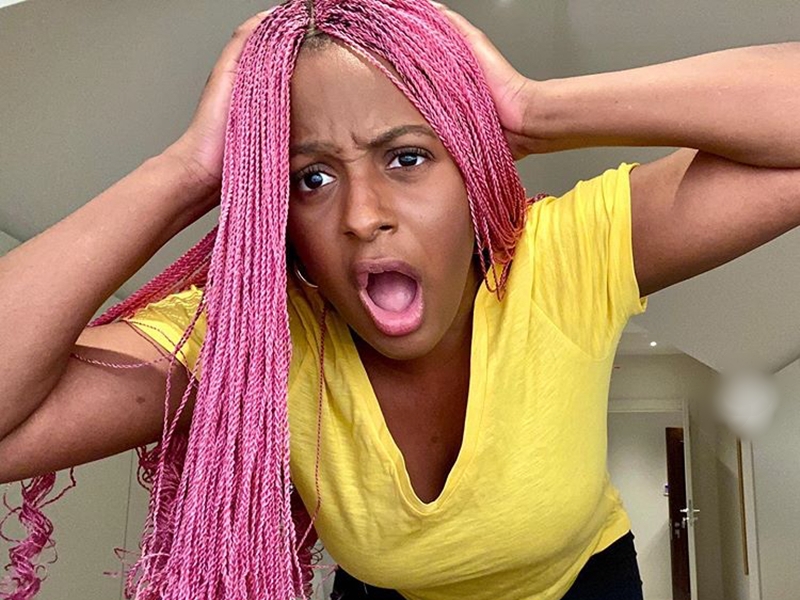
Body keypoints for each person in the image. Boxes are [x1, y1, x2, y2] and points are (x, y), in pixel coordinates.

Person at [1, 1, 799, 599]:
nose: (361, 215)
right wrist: (185, 175)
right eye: (311, 178)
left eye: (408, 157)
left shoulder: (563, 257)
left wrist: (529, 111)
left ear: (472, 175)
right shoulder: (250, 336)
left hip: (586, 582)